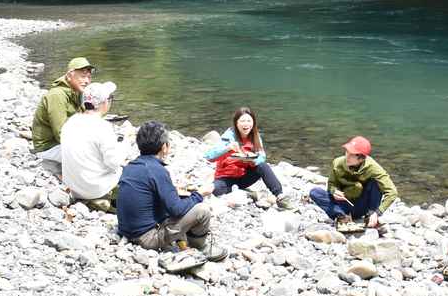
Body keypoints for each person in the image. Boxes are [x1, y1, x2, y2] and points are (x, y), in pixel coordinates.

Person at [116, 120, 227, 263]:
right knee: (202, 211)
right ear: (164, 147)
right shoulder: (157, 170)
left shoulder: (132, 166)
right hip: (146, 238)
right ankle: (201, 247)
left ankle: (185, 241)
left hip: (126, 230)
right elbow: (176, 210)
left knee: (183, 201)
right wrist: (200, 194)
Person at [60, 81, 131, 209]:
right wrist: (125, 146)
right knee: (132, 172)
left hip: (74, 187)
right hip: (94, 189)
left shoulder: (71, 121)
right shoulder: (103, 127)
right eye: (111, 98)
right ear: (105, 102)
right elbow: (113, 163)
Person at [204, 107, 290, 209]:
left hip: (243, 176)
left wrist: (252, 160)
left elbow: (262, 156)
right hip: (226, 178)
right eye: (243, 121)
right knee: (215, 190)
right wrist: (227, 148)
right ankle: (248, 194)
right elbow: (209, 156)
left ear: (253, 122)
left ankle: (279, 196)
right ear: (236, 123)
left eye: (249, 121)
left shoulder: (255, 136)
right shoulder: (228, 137)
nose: (246, 124)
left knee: (262, 166)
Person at [308, 137, 397, 231]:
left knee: (375, 183)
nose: (347, 156)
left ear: (361, 158)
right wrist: (334, 191)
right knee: (315, 192)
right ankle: (342, 217)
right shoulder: (337, 163)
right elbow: (331, 185)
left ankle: (370, 217)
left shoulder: (373, 168)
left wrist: (377, 213)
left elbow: (392, 192)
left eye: (352, 155)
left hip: (362, 206)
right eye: (347, 152)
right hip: (342, 205)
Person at [30, 56, 95, 177]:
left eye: (89, 77)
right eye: (83, 76)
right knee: (93, 153)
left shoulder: (75, 92)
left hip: (60, 144)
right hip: (47, 148)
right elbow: (61, 134)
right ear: (70, 75)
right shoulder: (57, 95)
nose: (87, 81)